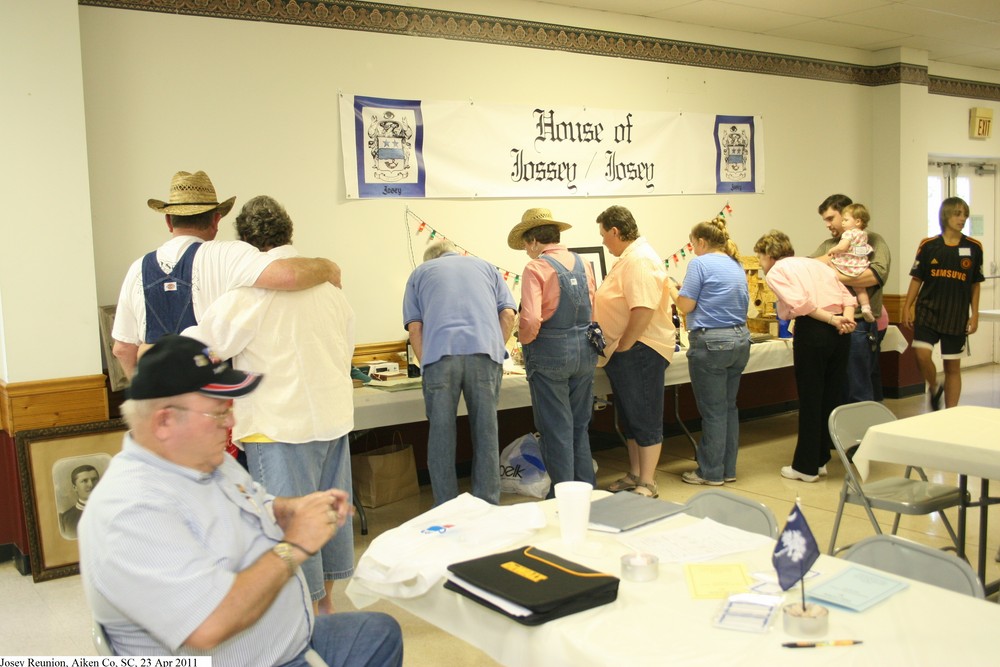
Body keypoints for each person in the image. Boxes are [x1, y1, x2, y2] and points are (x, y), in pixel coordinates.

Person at [78, 335, 402, 666]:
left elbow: (254, 505)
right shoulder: (132, 511)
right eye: (218, 413)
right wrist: (295, 545)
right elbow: (209, 624)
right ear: (164, 421)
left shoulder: (205, 460)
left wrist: (289, 509)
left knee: (377, 633)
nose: (230, 423)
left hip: (287, 641)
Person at [183, 195, 357, 614]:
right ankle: (327, 611)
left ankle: (307, 628)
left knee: (292, 531)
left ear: (244, 242)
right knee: (327, 519)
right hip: (332, 422)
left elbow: (204, 352)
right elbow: (346, 347)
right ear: (288, 233)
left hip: (278, 427)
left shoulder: (248, 293)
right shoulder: (329, 288)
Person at [112, 170, 343, 378]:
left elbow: (122, 349)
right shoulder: (228, 255)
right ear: (216, 219)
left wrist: (144, 397)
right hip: (213, 405)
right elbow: (289, 276)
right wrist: (328, 267)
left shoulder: (137, 269)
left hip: (161, 409)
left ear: (168, 221)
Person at [403, 240, 517, 506]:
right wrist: (495, 349)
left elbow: (415, 329)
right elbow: (509, 314)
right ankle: (487, 503)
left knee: (441, 434)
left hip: (440, 358)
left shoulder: (420, 273)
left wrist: (426, 363)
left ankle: (445, 506)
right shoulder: (487, 267)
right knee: (487, 432)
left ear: (431, 259)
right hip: (485, 356)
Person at [509, 208, 598, 496]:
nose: (525, 249)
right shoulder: (584, 264)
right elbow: (593, 305)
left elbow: (532, 319)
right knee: (579, 426)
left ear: (534, 241)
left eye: (525, 243)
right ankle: (587, 491)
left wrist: (524, 341)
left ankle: (563, 496)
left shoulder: (536, 268)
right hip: (585, 351)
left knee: (556, 428)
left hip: (550, 355)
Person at [755, 230, 856, 482]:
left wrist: (833, 319)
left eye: (760, 259)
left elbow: (801, 305)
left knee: (811, 398)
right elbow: (848, 298)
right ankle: (821, 458)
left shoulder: (777, 271)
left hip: (815, 329)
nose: (760, 264)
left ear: (769, 255)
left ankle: (806, 467)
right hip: (840, 332)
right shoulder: (815, 264)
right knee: (829, 396)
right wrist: (846, 321)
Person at [594, 206, 675, 498]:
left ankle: (648, 481)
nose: (603, 241)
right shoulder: (629, 258)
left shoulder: (640, 260)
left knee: (644, 414)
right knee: (630, 416)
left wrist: (626, 344)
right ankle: (636, 473)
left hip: (641, 348)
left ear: (615, 231)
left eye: (604, 235)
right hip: (625, 349)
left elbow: (642, 308)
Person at [669, 217, 750, 486]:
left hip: (712, 342)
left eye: (693, 245)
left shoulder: (700, 264)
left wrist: (670, 288)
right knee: (729, 408)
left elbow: (686, 306)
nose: (692, 250)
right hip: (739, 340)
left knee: (713, 412)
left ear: (702, 242)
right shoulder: (735, 263)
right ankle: (728, 468)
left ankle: (710, 472)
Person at [902, 196, 984, 410]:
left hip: (955, 314)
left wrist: (974, 314)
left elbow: (975, 284)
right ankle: (934, 386)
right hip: (927, 311)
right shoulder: (928, 245)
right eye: (958, 213)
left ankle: (951, 413)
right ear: (946, 215)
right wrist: (907, 306)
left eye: (965, 214)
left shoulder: (974, 247)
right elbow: (917, 278)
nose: (962, 218)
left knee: (952, 366)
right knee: (921, 354)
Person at [812, 194, 891, 402]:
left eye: (831, 219)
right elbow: (810, 268)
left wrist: (832, 272)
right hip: (834, 323)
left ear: (848, 214)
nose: (828, 225)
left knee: (859, 386)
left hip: (860, 324)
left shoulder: (873, 240)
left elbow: (873, 277)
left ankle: (864, 432)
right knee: (840, 387)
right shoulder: (830, 244)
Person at [819, 203, 876, 322]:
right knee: (860, 289)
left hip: (846, 264)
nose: (843, 223)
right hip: (860, 264)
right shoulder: (864, 234)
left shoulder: (848, 233)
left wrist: (833, 250)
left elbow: (843, 247)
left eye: (845, 220)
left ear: (858, 222)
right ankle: (865, 307)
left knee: (829, 267)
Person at [59, 464, 99, 540]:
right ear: (75, 487)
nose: (91, 484)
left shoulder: (111, 510)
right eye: (84, 481)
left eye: (94, 480)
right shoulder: (65, 520)